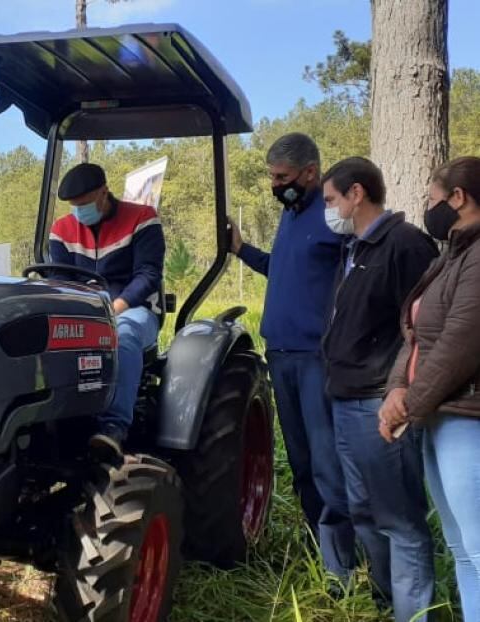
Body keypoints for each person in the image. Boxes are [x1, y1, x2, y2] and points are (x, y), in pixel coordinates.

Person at [229, 133, 355, 580]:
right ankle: (314, 542)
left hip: (316, 358)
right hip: (280, 356)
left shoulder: (334, 216)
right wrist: (242, 250)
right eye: (271, 177)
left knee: (326, 462)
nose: (275, 184)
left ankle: (341, 567)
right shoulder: (290, 214)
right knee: (300, 460)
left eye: (281, 177)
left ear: (310, 173)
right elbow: (280, 269)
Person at [320, 157, 437, 621]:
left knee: (400, 520)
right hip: (346, 398)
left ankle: (415, 613)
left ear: (356, 194)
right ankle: (388, 601)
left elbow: (424, 328)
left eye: (331, 199)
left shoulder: (405, 245)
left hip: (379, 403)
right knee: (364, 509)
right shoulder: (354, 248)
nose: (328, 210)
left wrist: (401, 391)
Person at [381, 156, 480, 622]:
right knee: (462, 548)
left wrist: (409, 405)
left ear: (458, 198)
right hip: (439, 415)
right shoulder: (451, 256)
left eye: (431, 198)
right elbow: (416, 333)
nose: (428, 207)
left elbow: (462, 343)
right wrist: (396, 390)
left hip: (468, 418)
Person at [49, 163, 165, 459]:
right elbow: (63, 280)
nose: (79, 212)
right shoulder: (62, 230)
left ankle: (113, 427)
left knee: (123, 334)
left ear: (104, 193)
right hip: (86, 309)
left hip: (133, 308)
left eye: (84, 204)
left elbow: (148, 275)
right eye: (74, 206)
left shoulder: (141, 219)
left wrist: (114, 309)